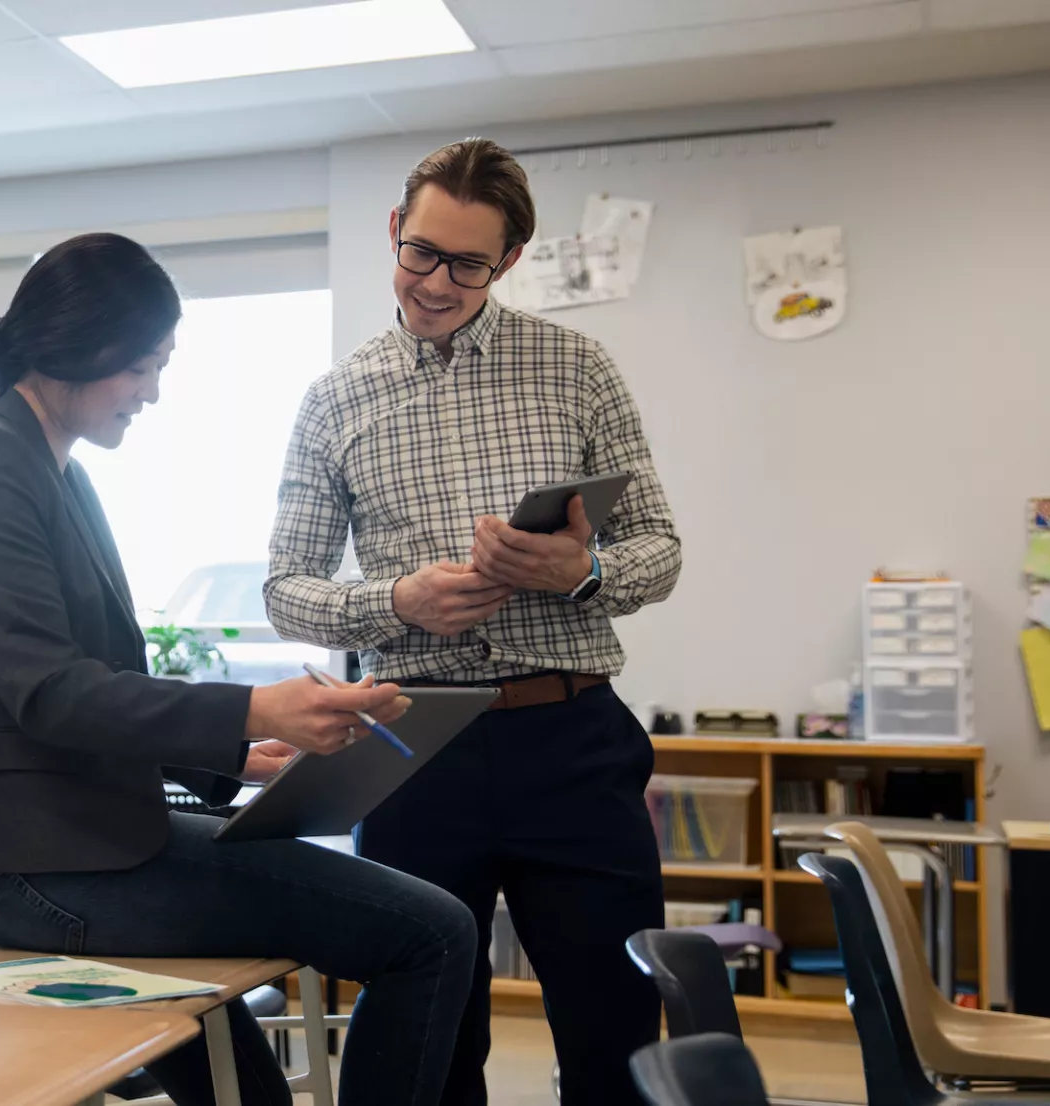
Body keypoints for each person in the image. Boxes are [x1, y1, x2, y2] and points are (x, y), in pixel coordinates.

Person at [0, 232, 476, 1106]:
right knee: (434, 932)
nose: (151, 394)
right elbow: (50, 692)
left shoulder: (55, 473)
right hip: (32, 869)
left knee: (256, 1090)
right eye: (142, 368)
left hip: (80, 842)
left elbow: (93, 686)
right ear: (82, 347)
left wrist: (235, 758)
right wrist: (254, 712)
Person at [264, 138, 683, 1106]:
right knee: (430, 1044)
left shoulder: (577, 367)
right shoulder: (335, 400)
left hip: (571, 739)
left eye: (466, 264)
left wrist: (581, 570)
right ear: (394, 231)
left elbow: (661, 548)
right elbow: (287, 585)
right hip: (415, 747)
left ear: (510, 261)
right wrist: (394, 600)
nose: (435, 282)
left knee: (617, 1030)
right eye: (420, 252)